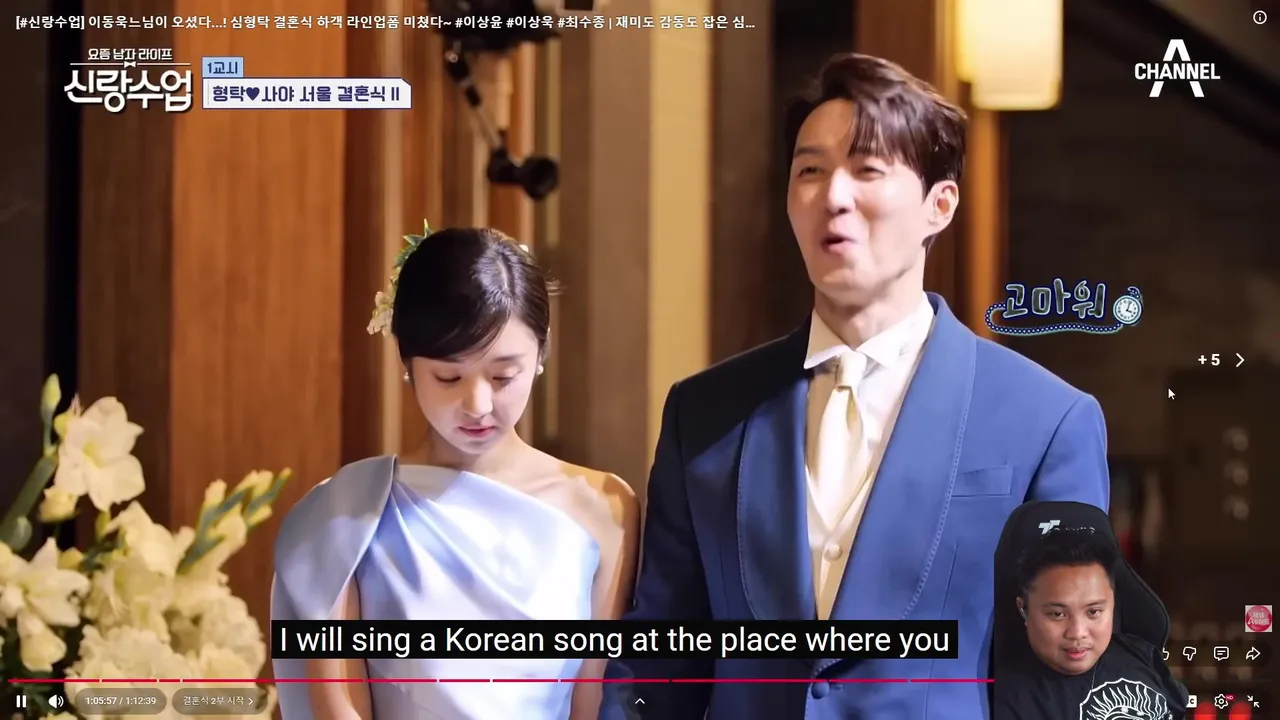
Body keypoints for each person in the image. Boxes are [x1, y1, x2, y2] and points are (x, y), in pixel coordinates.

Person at [600, 53, 1110, 720]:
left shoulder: (1045, 421)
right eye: (810, 170)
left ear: (939, 205)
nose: (833, 196)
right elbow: (660, 657)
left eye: (867, 169)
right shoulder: (706, 412)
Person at [273, 226, 640, 720]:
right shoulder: (345, 516)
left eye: (503, 375)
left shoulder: (602, 508)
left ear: (541, 352)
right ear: (406, 360)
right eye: (449, 377)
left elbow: (596, 704)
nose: (478, 404)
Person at [995, 528, 1187, 719]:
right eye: (1058, 614)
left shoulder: (1141, 655)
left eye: (1093, 612)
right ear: (1024, 609)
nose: (1078, 632)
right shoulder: (1011, 698)